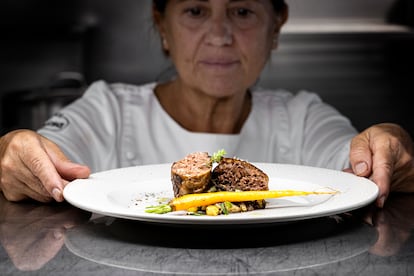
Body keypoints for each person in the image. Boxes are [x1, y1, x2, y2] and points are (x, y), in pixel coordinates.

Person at [0, 0, 413, 207]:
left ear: (276, 25)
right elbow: (37, 154)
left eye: (243, 11)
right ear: (163, 25)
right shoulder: (108, 109)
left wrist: (385, 147)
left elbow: (358, 165)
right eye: (196, 11)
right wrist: (14, 149)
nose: (220, 35)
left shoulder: (302, 116)